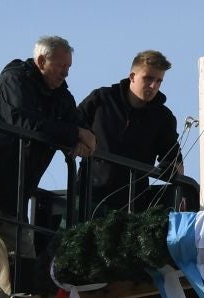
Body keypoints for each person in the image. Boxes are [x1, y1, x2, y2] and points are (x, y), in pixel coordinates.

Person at [0, 35, 97, 298]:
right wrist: (74, 132)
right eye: (61, 66)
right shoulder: (14, 81)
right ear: (41, 61)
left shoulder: (60, 95)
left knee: (21, 253)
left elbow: (72, 123)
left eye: (69, 67)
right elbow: (24, 123)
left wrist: (81, 137)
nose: (66, 72)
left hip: (15, 188)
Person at [77, 50, 184, 215]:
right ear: (132, 76)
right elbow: (73, 122)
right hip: (88, 194)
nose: (153, 86)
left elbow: (173, 159)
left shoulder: (163, 117)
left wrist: (173, 168)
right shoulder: (102, 98)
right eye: (148, 78)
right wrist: (80, 138)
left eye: (159, 81)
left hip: (132, 205)